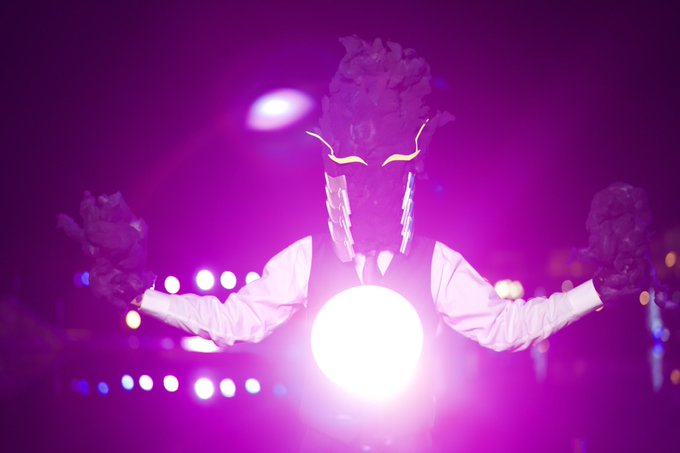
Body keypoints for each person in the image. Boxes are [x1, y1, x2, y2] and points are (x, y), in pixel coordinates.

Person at [69, 37, 650, 453]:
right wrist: (140, 294)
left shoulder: (434, 262)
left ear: (409, 179)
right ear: (334, 179)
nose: (371, 190)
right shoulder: (307, 257)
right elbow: (233, 322)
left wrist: (598, 290)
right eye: (355, 175)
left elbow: (506, 328)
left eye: (387, 176)